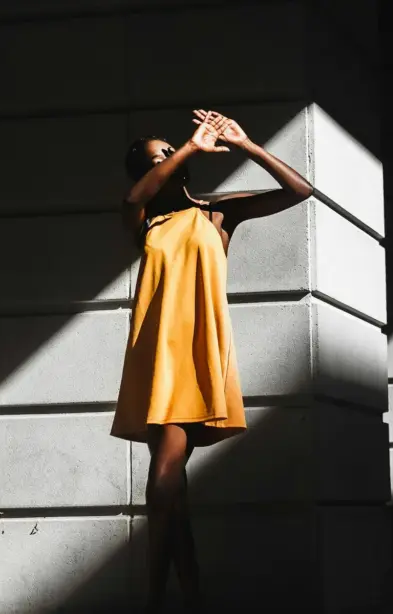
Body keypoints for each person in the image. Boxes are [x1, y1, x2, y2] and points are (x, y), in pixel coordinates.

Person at [110, 110, 313, 613]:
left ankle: (170, 597)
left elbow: (299, 191)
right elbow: (134, 197)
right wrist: (189, 146)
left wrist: (246, 145)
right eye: (157, 157)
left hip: (200, 354)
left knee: (169, 483)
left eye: (169, 153)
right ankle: (177, 596)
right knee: (169, 483)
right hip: (158, 356)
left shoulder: (217, 214)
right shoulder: (146, 218)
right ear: (148, 171)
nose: (169, 159)